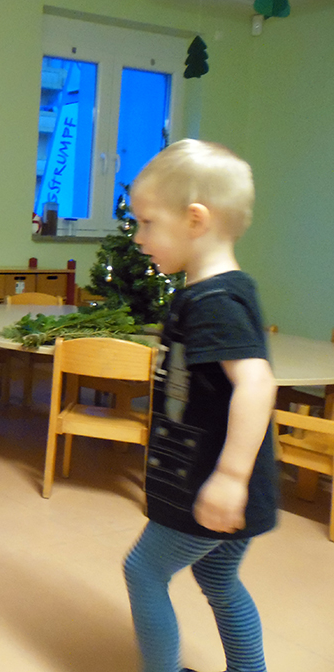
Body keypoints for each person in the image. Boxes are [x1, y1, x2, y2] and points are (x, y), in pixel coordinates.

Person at [123, 139, 278, 672]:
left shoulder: (213, 300)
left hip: (211, 483)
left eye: (146, 223)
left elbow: (257, 384)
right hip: (219, 481)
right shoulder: (218, 290)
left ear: (195, 220)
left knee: (144, 572)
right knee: (218, 577)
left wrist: (231, 476)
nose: (139, 239)